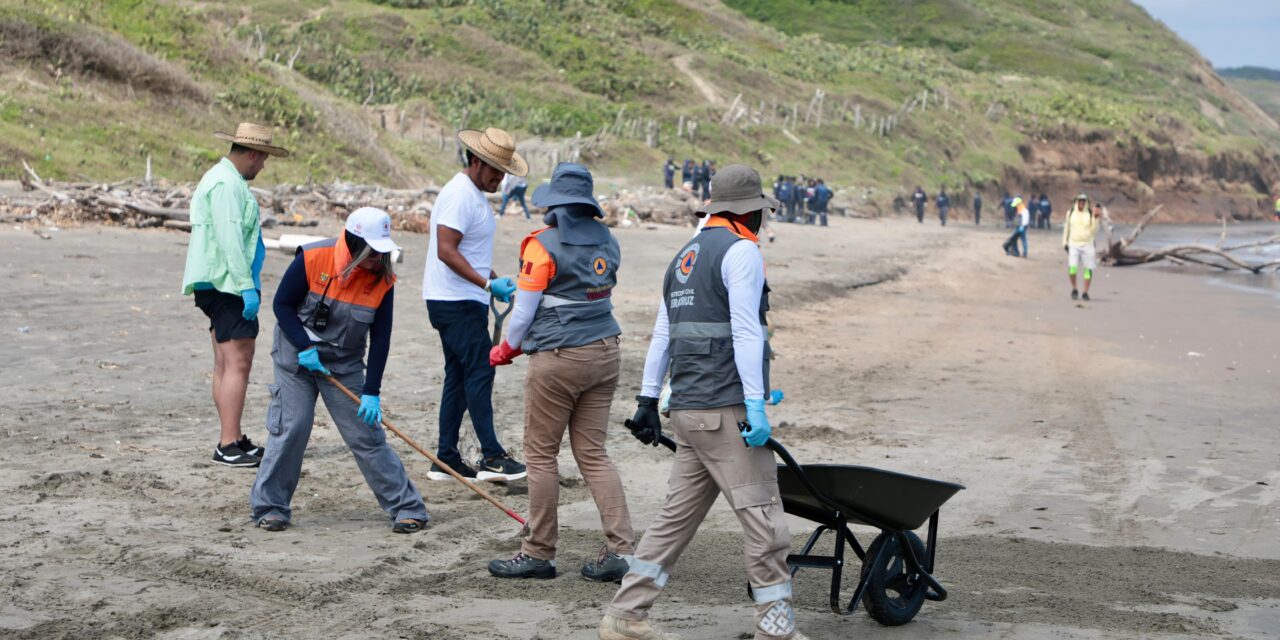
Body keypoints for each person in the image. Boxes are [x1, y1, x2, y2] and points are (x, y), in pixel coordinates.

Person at [599, 165, 807, 640]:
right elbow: (746, 330)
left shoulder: (683, 256)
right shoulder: (741, 252)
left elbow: (664, 333)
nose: (762, 223)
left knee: (673, 521)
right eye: (761, 214)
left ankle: (625, 615)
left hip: (688, 411)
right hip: (724, 410)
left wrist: (648, 398)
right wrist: (755, 405)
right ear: (749, 212)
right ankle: (776, 631)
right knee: (764, 520)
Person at [486, 163, 635, 581]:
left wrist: (505, 349)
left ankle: (539, 552)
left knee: (540, 455)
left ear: (555, 205)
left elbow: (522, 314)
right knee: (593, 454)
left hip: (559, 356)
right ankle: (622, 549)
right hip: (606, 352)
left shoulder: (541, 246)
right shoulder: (610, 241)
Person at [250, 208, 429, 533]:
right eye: (373, 252)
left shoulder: (384, 280)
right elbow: (282, 306)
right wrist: (305, 347)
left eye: (382, 252)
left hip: (343, 362)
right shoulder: (314, 258)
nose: (377, 259)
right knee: (294, 426)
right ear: (354, 242)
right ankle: (271, 506)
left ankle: (406, 507)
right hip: (297, 355)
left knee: (366, 434)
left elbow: (382, 338)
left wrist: (372, 392)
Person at [423, 127, 528, 483]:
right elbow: (446, 249)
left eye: (505, 171)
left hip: (462, 298)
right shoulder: (459, 195)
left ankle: (446, 458)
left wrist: (492, 279)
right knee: (481, 370)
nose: (500, 177)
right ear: (476, 161)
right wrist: (485, 283)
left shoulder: (473, 195)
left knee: (459, 375)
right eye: (496, 169)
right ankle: (492, 456)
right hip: (453, 301)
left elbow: (468, 252)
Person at [182, 122, 288, 467]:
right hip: (226, 283)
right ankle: (228, 442)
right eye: (263, 160)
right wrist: (245, 286)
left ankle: (233, 436)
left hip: (216, 281)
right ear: (253, 154)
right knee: (238, 361)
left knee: (225, 362)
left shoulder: (222, 178)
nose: (263, 166)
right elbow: (229, 238)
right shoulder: (227, 184)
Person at [1063, 193, 1100, 300]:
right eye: (1080, 200)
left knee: (1088, 269)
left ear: (1086, 202)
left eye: (1084, 201)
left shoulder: (1089, 213)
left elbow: (1094, 230)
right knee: (1072, 268)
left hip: (1087, 244)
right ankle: (1074, 288)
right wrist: (1064, 242)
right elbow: (1067, 228)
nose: (1081, 203)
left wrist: (1096, 218)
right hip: (1073, 244)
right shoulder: (1070, 213)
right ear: (1076, 201)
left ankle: (1085, 292)